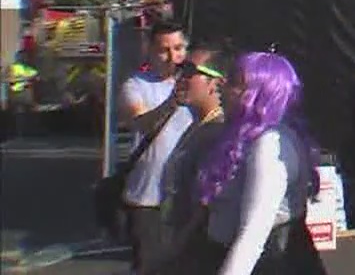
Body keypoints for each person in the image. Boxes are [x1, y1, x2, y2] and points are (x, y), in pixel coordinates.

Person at [193, 52, 324, 275]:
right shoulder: (242, 138)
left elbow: (253, 233)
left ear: (259, 94)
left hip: (268, 265)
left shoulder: (270, 144)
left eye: (234, 82)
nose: (221, 85)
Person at [119, 21, 196, 274]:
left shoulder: (197, 84)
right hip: (148, 197)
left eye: (178, 48)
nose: (173, 57)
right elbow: (141, 123)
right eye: (164, 50)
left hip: (186, 194)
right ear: (150, 51)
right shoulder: (136, 85)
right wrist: (172, 102)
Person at [156, 48, 231, 273]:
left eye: (190, 71)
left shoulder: (218, 133)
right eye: (180, 71)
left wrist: (177, 248)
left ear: (215, 83)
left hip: (197, 254)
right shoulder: (197, 126)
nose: (181, 78)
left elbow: (206, 202)